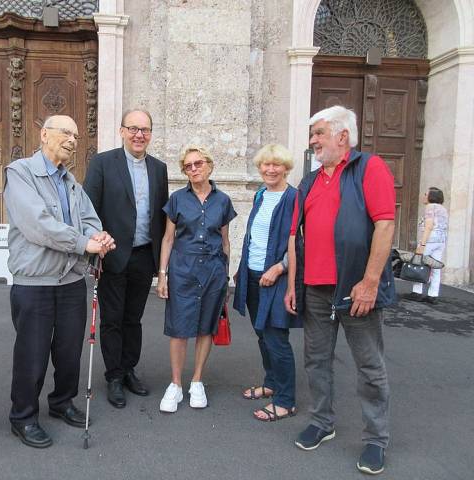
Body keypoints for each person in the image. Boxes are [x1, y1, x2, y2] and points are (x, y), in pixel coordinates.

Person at [284, 105, 396, 475]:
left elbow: (384, 225)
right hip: (315, 289)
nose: (312, 141)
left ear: (342, 136)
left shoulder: (369, 167)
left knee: (369, 365)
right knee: (316, 360)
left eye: (318, 133)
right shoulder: (309, 181)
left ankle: (376, 439)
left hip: (356, 288)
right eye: (312, 135)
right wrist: (293, 284)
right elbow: (295, 238)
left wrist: (370, 281)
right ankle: (322, 421)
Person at [4, 115, 115, 448]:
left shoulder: (72, 184)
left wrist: (100, 237)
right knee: (32, 354)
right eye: (66, 132)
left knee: (68, 352)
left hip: (69, 281)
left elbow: (90, 221)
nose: (72, 140)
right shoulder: (20, 172)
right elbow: (38, 224)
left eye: (77, 135)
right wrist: (85, 243)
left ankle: (62, 402)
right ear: (44, 134)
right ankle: (22, 417)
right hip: (35, 282)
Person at [83, 109, 169, 408]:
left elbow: (162, 215)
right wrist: (97, 244)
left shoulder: (159, 169)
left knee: (133, 318)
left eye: (144, 129)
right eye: (133, 128)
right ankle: (114, 376)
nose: (139, 135)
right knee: (112, 319)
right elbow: (88, 209)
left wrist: (162, 264)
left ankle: (130, 369)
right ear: (122, 131)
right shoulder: (103, 163)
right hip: (113, 254)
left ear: (150, 134)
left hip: (145, 255)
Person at [157, 146, 236, 413]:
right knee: (179, 328)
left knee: (206, 327)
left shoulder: (223, 201)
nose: (193, 169)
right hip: (183, 269)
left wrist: (225, 276)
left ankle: (197, 380)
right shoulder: (177, 199)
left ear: (209, 166)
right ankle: (176, 384)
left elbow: (225, 241)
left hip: (213, 270)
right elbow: (168, 238)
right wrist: (162, 275)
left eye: (197, 163)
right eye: (187, 166)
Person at [233, 144, 299, 421]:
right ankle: (272, 383)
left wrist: (281, 267)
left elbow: (301, 241)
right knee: (262, 334)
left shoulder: (294, 198)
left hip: (276, 276)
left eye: (276, 165)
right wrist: (241, 269)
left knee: (276, 338)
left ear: (286, 167)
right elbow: (252, 237)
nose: (270, 170)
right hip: (253, 274)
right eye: (265, 165)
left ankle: (286, 400)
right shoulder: (261, 195)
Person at [408, 187, 448, 304]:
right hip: (441, 241)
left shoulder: (430, 207)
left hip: (430, 240)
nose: (424, 196)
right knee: (436, 267)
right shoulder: (443, 209)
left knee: (419, 263)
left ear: (431, 197)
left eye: (426, 194)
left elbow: (429, 226)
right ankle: (433, 295)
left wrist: (422, 243)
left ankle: (417, 292)